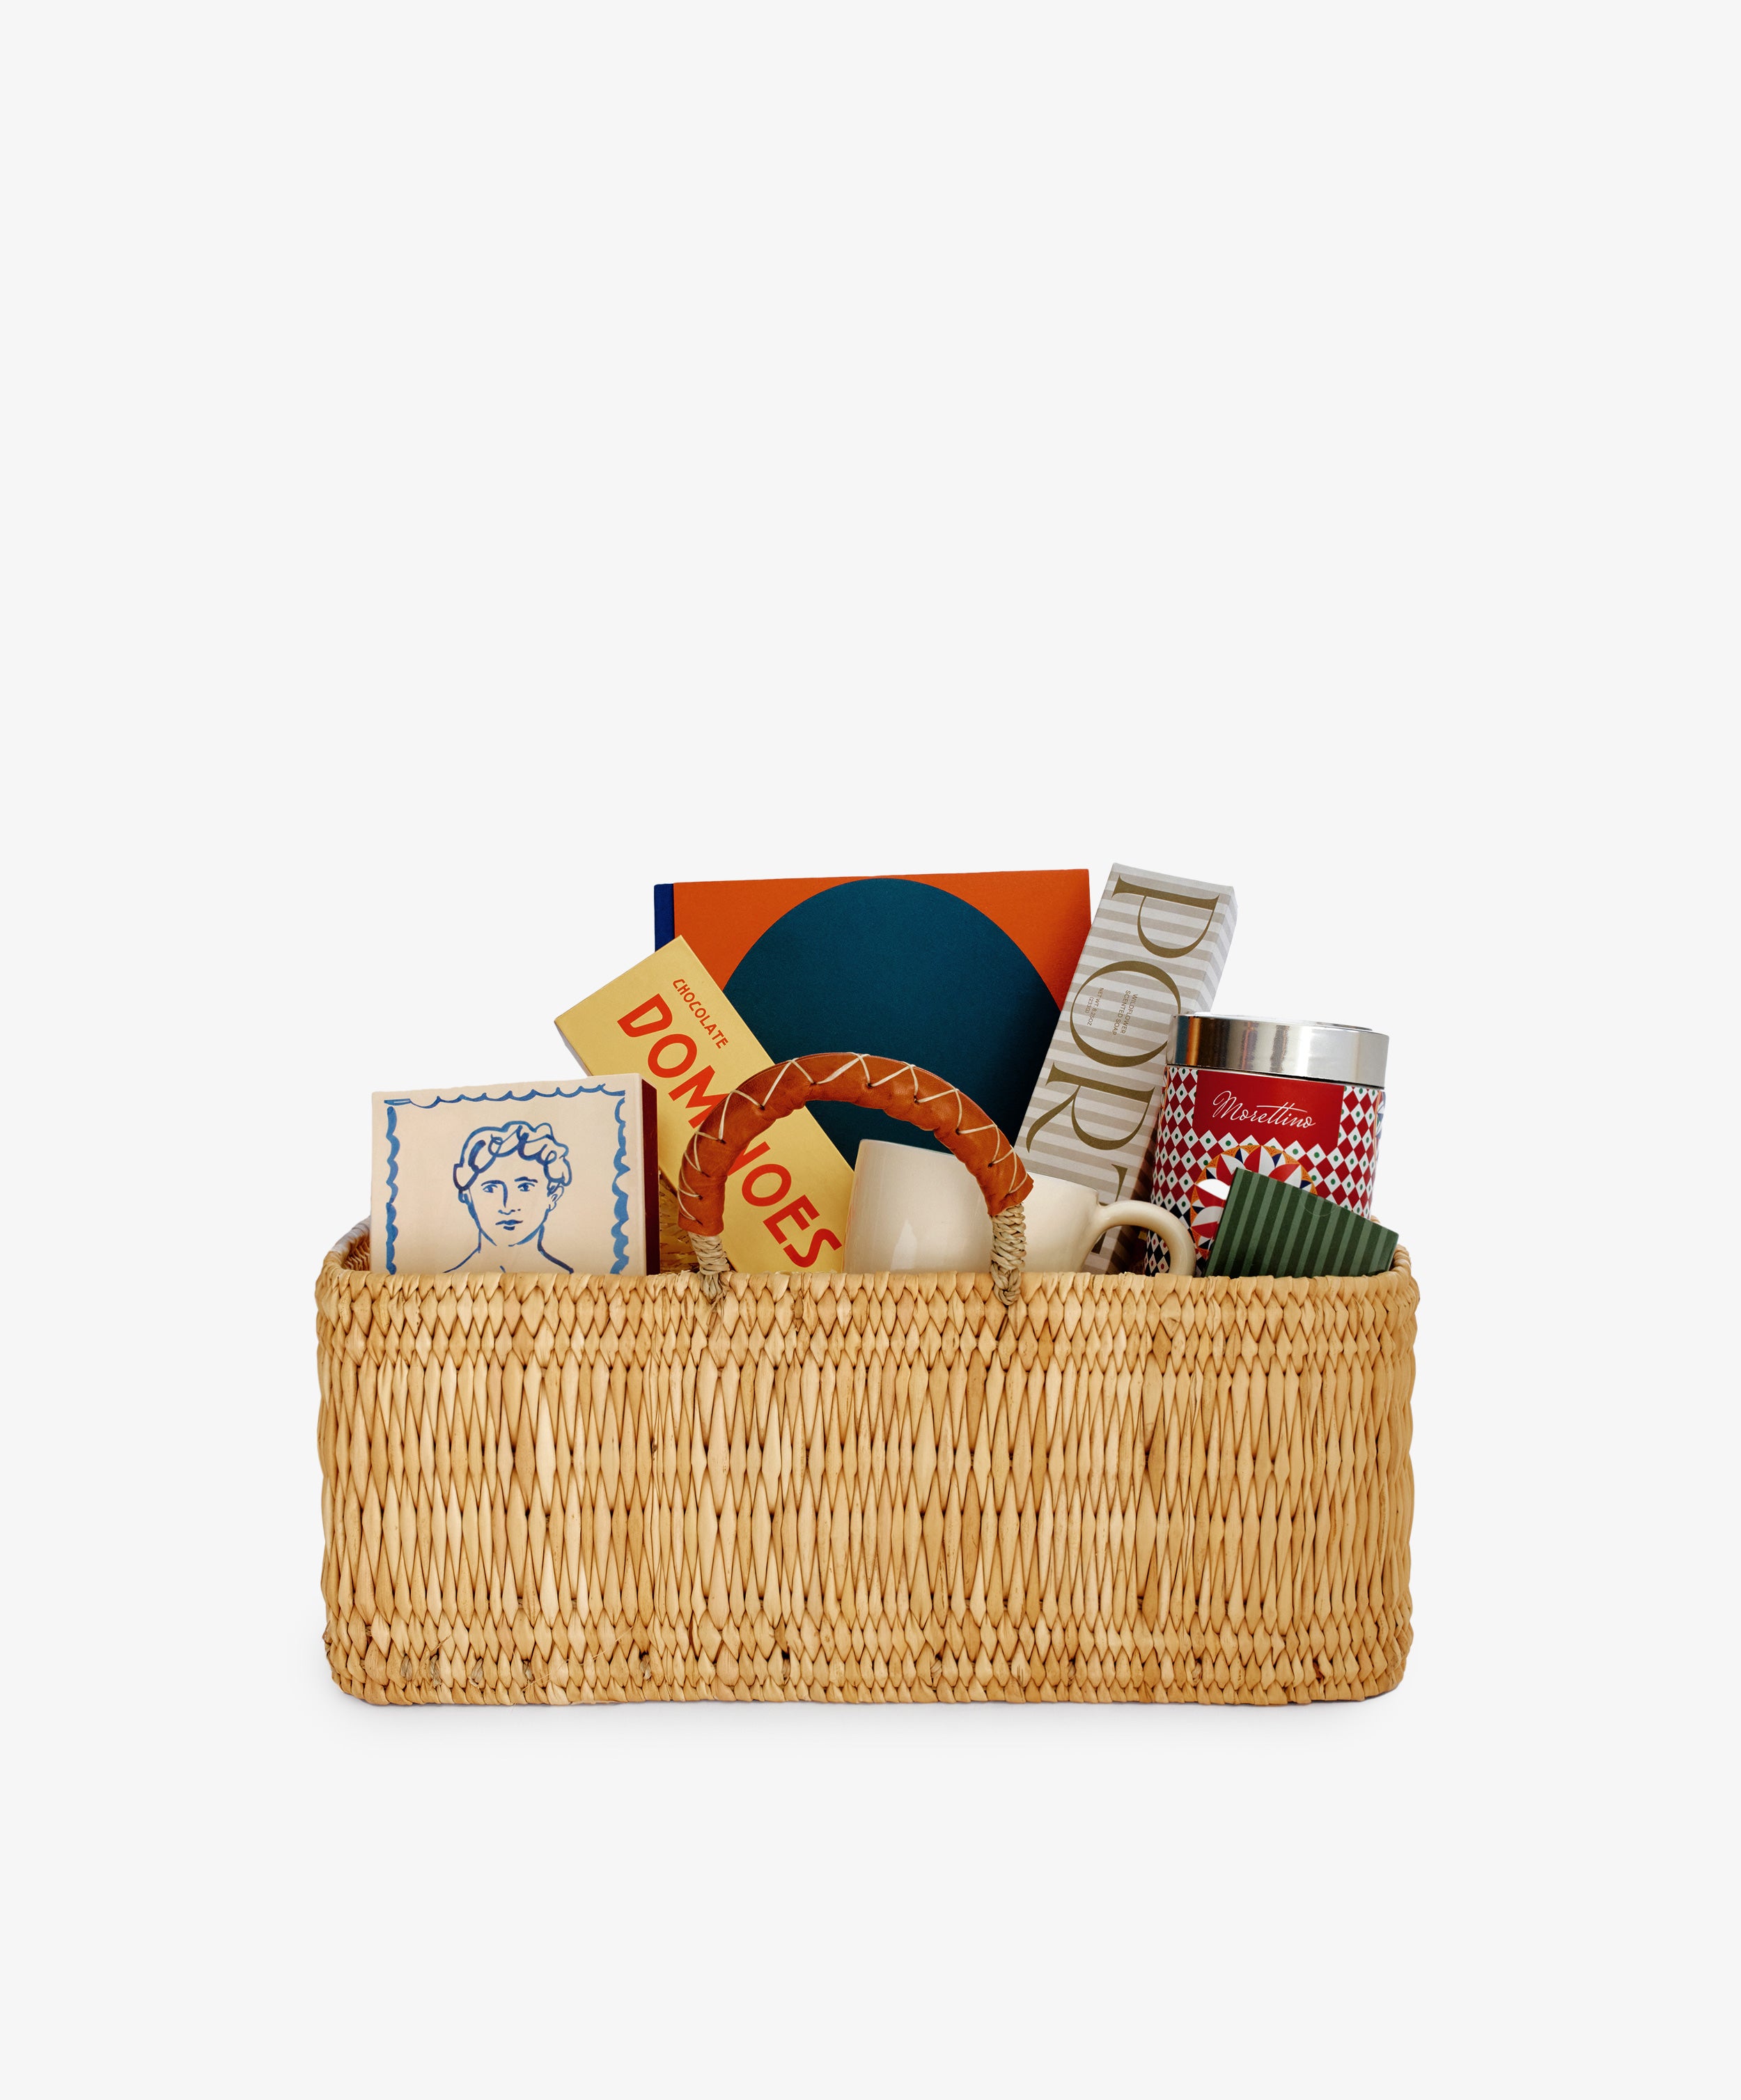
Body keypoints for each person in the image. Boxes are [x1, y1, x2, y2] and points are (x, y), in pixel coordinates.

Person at [448, 1121, 574, 1273]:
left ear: (553, 1196)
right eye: (490, 1188)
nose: (507, 1206)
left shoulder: (571, 1286)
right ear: (467, 1195)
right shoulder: (444, 1287)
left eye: (525, 1187)